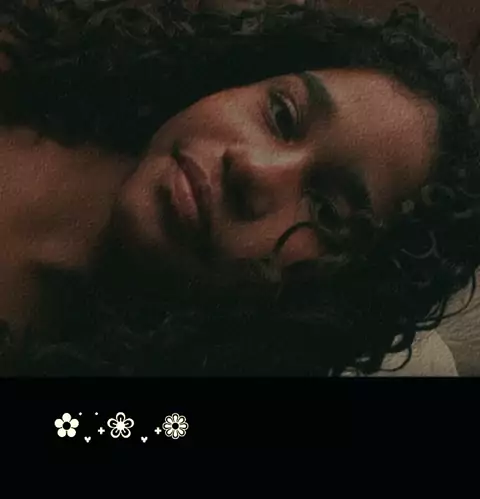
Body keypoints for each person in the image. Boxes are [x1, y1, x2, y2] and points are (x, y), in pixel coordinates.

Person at [0, 0, 478, 376]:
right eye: (282, 114)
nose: (254, 169)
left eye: (327, 211)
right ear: (243, 74)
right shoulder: (36, 58)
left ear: (334, 299)